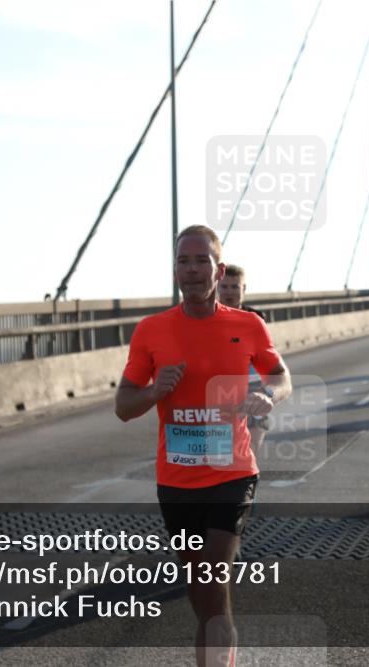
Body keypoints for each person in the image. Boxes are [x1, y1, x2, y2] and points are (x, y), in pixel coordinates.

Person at [115, 225, 292, 667]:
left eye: (200, 261)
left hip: (232, 474)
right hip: (176, 481)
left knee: (212, 581)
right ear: (175, 269)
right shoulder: (152, 330)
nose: (191, 270)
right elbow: (123, 405)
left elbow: (281, 376)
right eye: (183, 261)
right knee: (202, 592)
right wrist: (155, 393)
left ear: (219, 269)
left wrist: (267, 396)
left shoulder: (248, 325)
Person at [218, 264, 271, 450]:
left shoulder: (256, 318)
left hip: (254, 389)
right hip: (221, 391)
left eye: (235, 287)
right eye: (224, 287)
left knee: (252, 448)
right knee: (225, 452)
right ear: (216, 287)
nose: (229, 292)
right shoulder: (208, 319)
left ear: (244, 289)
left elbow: (266, 357)